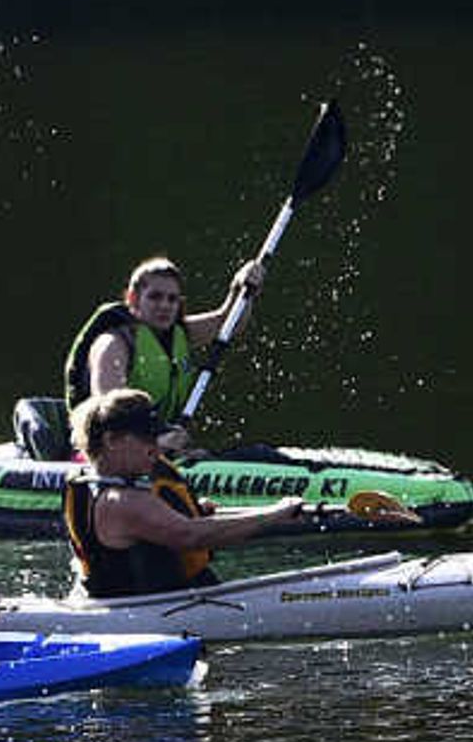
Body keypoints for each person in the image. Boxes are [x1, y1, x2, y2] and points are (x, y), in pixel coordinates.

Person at [63, 388, 308, 597]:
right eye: (146, 438)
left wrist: (194, 511)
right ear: (111, 440)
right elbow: (193, 537)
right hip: (152, 613)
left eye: (156, 438)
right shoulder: (122, 501)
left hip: (135, 605)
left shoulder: (94, 484)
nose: (155, 448)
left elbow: (174, 527)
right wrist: (277, 512)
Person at [60, 251, 267, 416]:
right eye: (155, 297)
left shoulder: (180, 334)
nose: (165, 306)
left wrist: (241, 290)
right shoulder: (113, 344)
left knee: (259, 453)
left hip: (156, 449)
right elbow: (110, 415)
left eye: (172, 299)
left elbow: (229, 323)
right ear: (132, 299)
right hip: (109, 454)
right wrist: (156, 442)